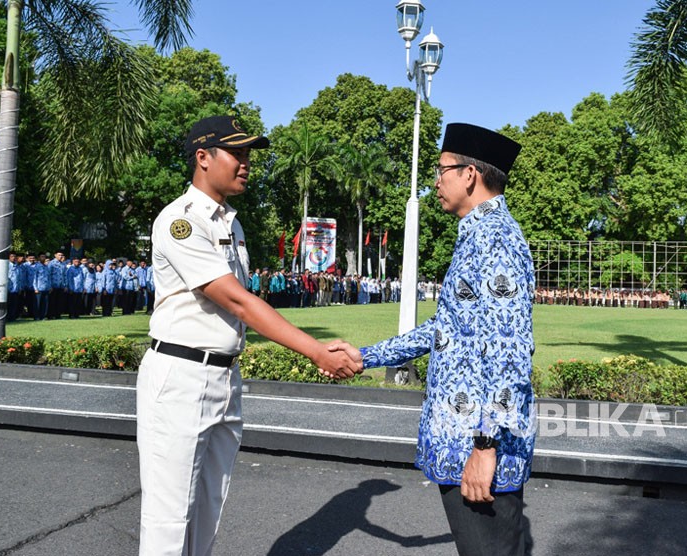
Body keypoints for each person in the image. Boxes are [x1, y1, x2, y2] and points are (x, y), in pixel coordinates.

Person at [137, 115, 362, 556]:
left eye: (248, 154)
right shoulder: (180, 221)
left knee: (206, 511)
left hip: (223, 376)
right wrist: (316, 351)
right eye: (236, 153)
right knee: (169, 520)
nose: (245, 163)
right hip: (181, 375)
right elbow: (236, 301)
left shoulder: (230, 222)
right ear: (203, 157)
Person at [331, 123, 536, 556]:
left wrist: (486, 445)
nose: (436, 182)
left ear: (470, 175)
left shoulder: (496, 238)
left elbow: (510, 348)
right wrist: (367, 357)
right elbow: (447, 329)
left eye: (442, 171)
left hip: (476, 446)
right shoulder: (476, 235)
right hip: (462, 441)